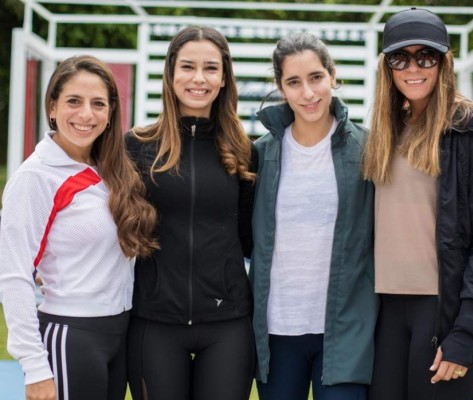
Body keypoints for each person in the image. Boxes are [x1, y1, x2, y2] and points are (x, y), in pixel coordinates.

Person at [363, 8, 473, 400]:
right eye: (400, 58)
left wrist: (466, 329)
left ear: (444, 62)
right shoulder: (385, 131)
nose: (413, 68)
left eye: (425, 56)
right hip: (384, 311)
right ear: (387, 66)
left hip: (443, 310)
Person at [0, 55, 158, 400]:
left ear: (110, 112)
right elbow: (13, 275)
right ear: (52, 107)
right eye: (74, 101)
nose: (86, 114)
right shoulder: (35, 178)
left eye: (98, 103)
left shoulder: (113, 169)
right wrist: (35, 367)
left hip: (121, 331)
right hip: (71, 336)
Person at [125, 26, 256, 400]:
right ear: (170, 73)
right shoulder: (136, 146)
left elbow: (251, 239)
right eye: (188, 66)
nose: (199, 78)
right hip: (154, 322)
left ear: (224, 77)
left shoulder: (245, 151)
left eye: (211, 68)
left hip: (227, 324)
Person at [250, 32, 378, 400]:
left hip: (345, 329)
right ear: (281, 87)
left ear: (333, 76)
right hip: (277, 330)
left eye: (316, 77)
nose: (308, 93)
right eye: (294, 82)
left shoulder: (368, 149)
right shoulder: (260, 155)